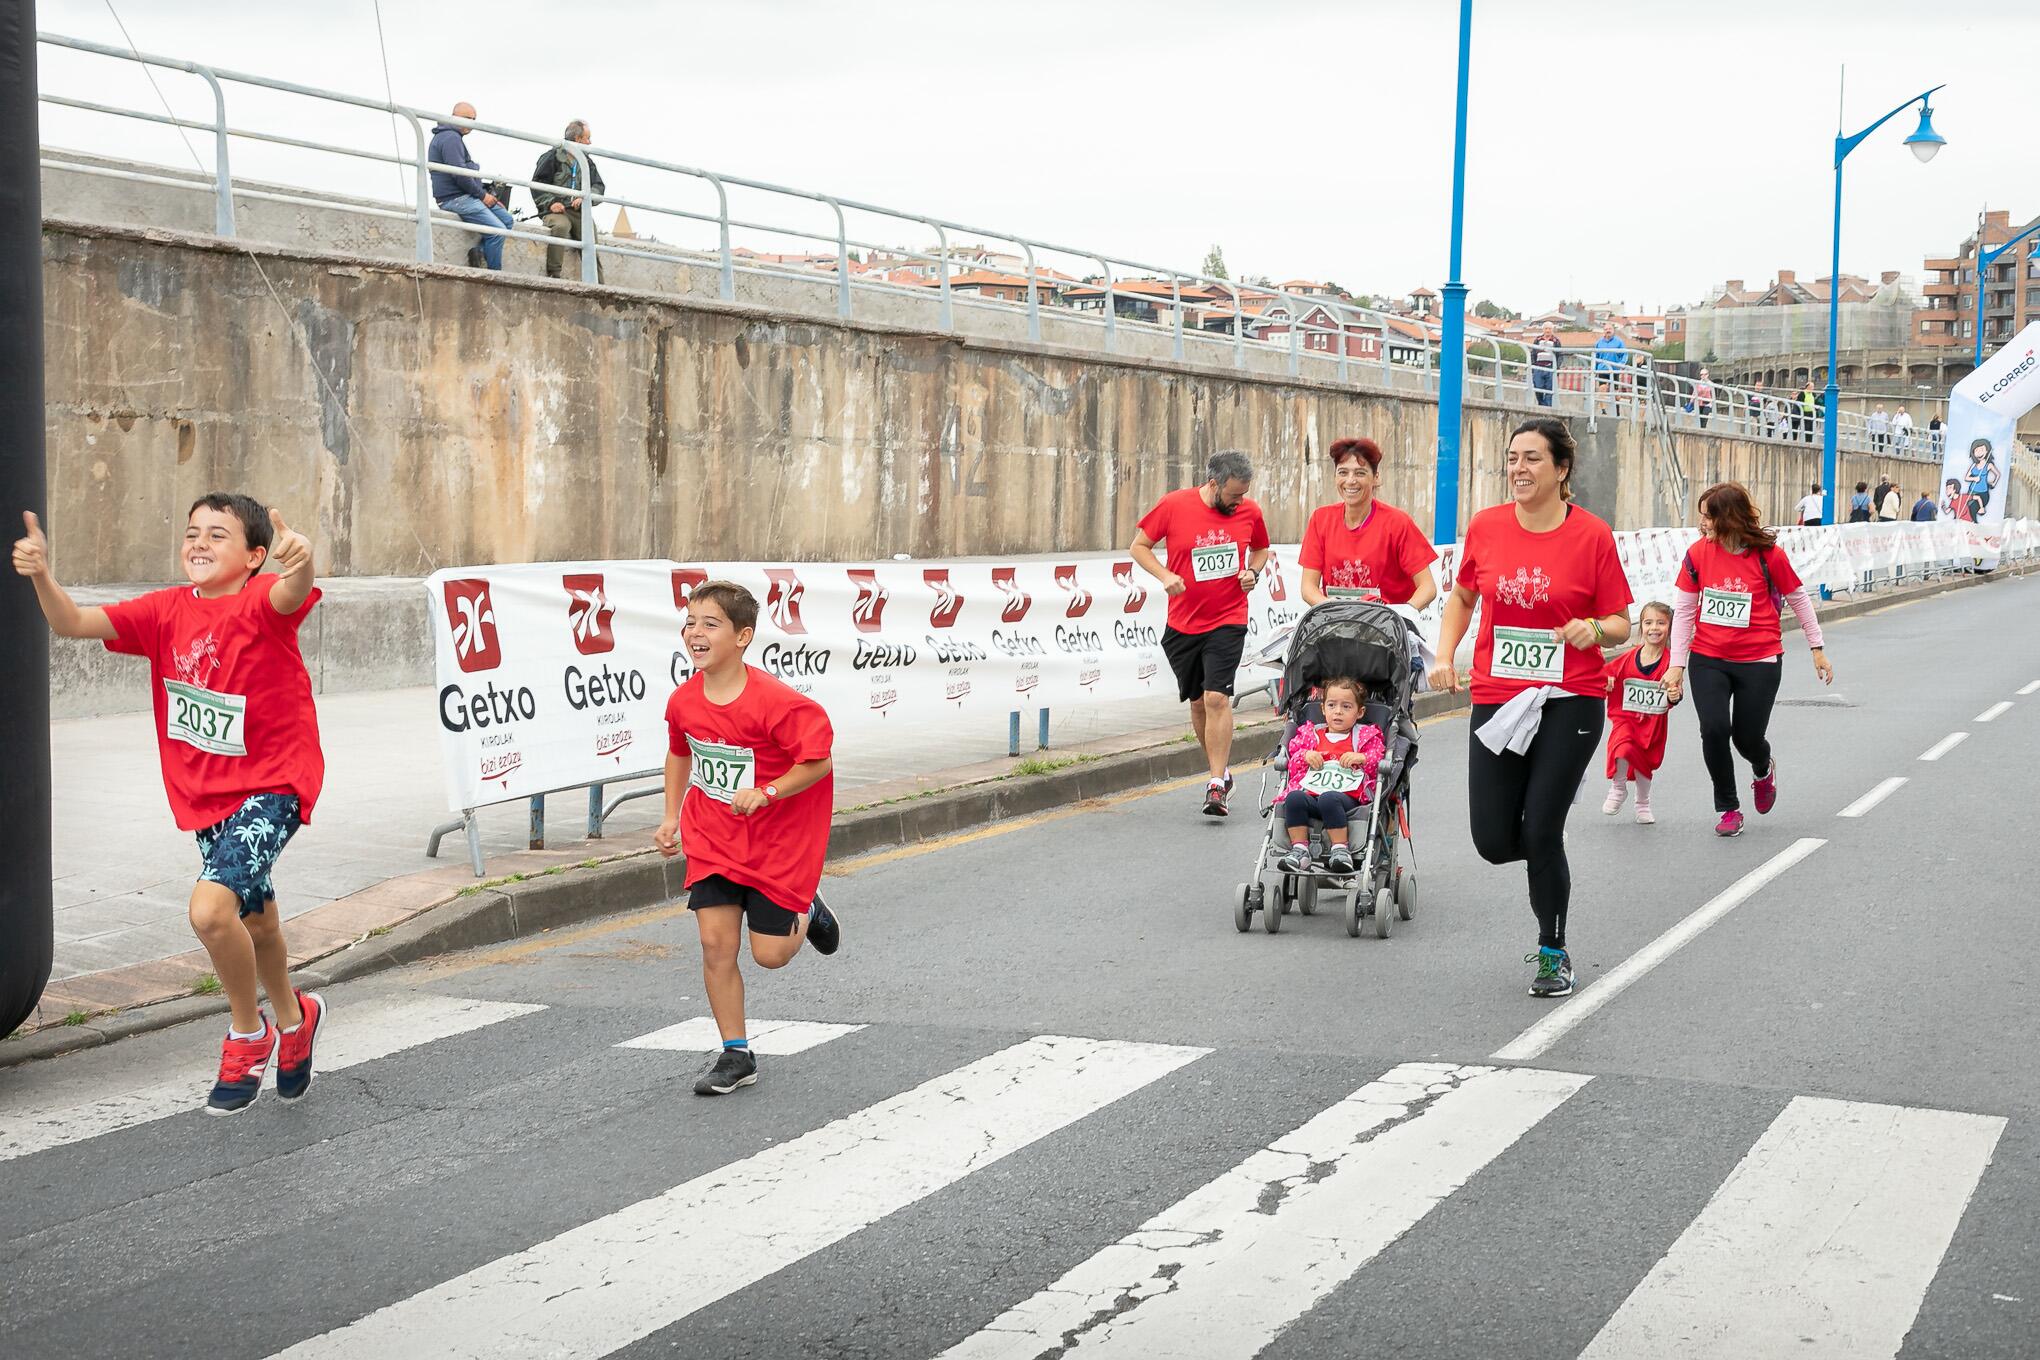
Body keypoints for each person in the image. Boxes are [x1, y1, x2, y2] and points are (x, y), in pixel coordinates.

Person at [13, 497, 328, 1115]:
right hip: (207, 796)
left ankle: (248, 1032)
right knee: (255, 921)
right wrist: (42, 576)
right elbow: (73, 622)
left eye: (218, 534)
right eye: (192, 533)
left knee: (212, 913)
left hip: (274, 786)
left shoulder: (261, 603)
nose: (200, 543)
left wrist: (303, 563)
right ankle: (296, 1021)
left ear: (254, 557)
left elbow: (293, 592)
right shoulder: (162, 611)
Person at [1429, 417, 1633, 1000]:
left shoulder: (1592, 535)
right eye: (1512, 458)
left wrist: (1593, 628)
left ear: (1562, 469)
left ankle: (1553, 951)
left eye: (1532, 459)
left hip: (1572, 698)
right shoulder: (1488, 526)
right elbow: (1464, 595)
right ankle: (1545, 847)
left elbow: (1621, 620)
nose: (1518, 468)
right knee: (1494, 841)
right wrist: (1446, 655)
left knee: (1541, 829)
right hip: (1499, 695)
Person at [656, 580, 842, 1097]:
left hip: (777, 846)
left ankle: (809, 908)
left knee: (771, 956)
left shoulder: (776, 703)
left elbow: (818, 760)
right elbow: (679, 753)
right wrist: (671, 816)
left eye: (710, 624)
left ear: (743, 637)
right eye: (690, 622)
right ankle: (735, 1053)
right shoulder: (684, 701)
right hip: (713, 839)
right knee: (716, 946)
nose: (695, 632)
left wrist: (770, 790)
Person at [1663, 482, 1833, 838]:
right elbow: (1683, 612)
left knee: (1746, 738)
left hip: (1760, 659)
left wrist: (1817, 648)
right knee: (1713, 729)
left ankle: (1761, 767)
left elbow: (1799, 599)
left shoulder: (1768, 555)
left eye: (1708, 516)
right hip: (1709, 657)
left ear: (1728, 518)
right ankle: (1728, 807)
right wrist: (1676, 666)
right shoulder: (1697, 554)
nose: (1702, 523)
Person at [1131, 450, 1270, 817]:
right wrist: (1165, 576)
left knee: (1216, 699)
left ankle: (1214, 786)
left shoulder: (1250, 512)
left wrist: (1252, 573)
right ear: (1213, 484)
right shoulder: (1174, 505)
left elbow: (1261, 550)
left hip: (1229, 619)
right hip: (1183, 623)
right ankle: (1222, 771)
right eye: (1234, 495)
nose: (1240, 501)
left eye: (1244, 494)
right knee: (1197, 702)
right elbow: (1139, 546)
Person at [1298, 437, 1439, 609]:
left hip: (1387, 628)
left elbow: (1428, 588)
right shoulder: (1321, 519)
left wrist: (1399, 616)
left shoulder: (1398, 523)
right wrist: (1335, 611)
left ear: (1376, 477)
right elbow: (1308, 587)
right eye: (1343, 472)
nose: (1350, 480)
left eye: (1360, 473)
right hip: (1335, 623)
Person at [1275, 676, 1386, 876]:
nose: (1338, 712)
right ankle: (1300, 849)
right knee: (1294, 799)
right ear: (1323, 709)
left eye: (1346, 707)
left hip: (1347, 798)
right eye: (1332, 705)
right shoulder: (1311, 734)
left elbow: (1378, 759)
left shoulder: (1366, 736)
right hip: (1312, 793)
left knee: (1329, 798)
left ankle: (1340, 849)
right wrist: (1306, 755)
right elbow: (1294, 757)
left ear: (1359, 712)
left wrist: (1361, 757)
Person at [1602, 601, 1675, 825]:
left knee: (1645, 763)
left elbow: (1675, 690)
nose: (1654, 628)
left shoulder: (1671, 662)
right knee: (1622, 747)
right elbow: (1604, 674)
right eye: (1648, 622)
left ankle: (1642, 803)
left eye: (1661, 623)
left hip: (1652, 723)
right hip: (1626, 718)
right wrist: (1607, 680)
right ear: (1641, 626)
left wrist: (1674, 695)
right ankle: (1618, 787)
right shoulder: (1627, 658)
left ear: (1670, 627)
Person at [429, 103, 514, 270]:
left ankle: (479, 252)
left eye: (474, 120)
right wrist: (482, 196)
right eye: (468, 119)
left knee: (507, 220)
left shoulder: (453, 137)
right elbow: (460, 174)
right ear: (455, 116)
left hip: (467, 195)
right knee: (497, 231)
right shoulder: (450, 138)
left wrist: (483, 195)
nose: (472, 124)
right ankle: (495, 276)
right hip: (455, 198)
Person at [532, 119, 606, 282]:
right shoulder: (552, 157)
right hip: (556, 210)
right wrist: (551, 203)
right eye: (587, 138)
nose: (590, 142)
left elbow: (599, 186)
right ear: (578, 139)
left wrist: (585, 198)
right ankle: (554, 275)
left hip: (579, 212)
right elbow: (538, 184)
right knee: (561, 226)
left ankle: (598, 284)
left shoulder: (587, 161)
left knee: (590, 238)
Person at [1593, 323, 1626, 415]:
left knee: (1615, 392)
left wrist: (1621, 363)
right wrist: (1594, 369)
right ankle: (1603, 410)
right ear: (1603, 331)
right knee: (1602, 388)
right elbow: (1596, 356)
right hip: (1602, 369)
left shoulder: (1619, 342)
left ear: (1613, 330)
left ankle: (1618, 410)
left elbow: (1624, 354)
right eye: (1606, 329)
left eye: (1610, 329)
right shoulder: (1599, 343)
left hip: (1614, 369)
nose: (1608, 331)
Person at [1964, 438, 2001, 515]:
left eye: (1981, 450)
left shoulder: (1988, 465)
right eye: (1976, 450)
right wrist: (1974, 478)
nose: (1979, 453)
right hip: (1972, 491)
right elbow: (1966, 478)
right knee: (1969, 509)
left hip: (1983, 492)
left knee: (1975, 509)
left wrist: (1993, 484)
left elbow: (1998, 474)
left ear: (1987, 451)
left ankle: (1982, 509)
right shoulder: (1974, 465)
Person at [1529, 326, 1559, 407]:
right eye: (1546, 329)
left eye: (1549, 329)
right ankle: (1541, 404)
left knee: (1549, 389)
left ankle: (1547, 407)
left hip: (1550, 367)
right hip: (1538, 367)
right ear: (1543, 330)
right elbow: (1533, 353)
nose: (1548, 330)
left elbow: (1559, 355)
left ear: (1552, 330)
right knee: (1538, 387)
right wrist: (1533, 365)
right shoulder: (1538, 340)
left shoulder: (1556, 341)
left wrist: (1557, 368)